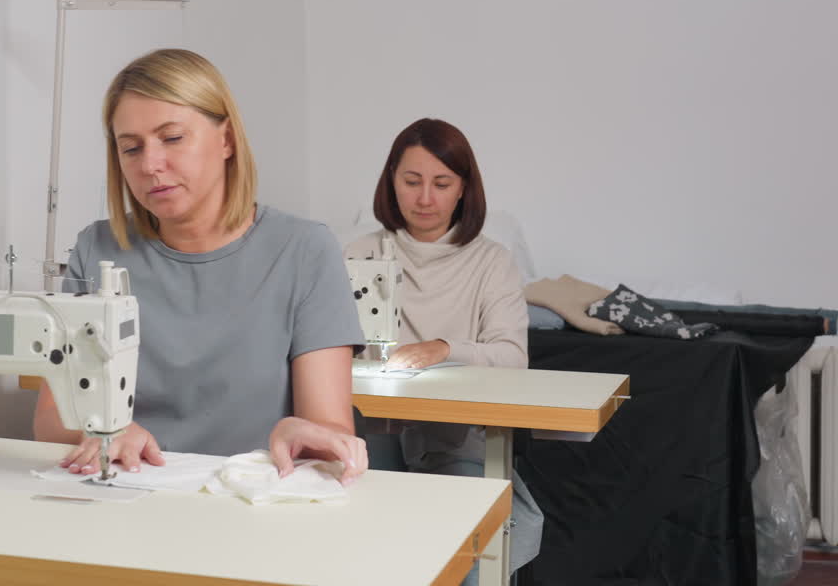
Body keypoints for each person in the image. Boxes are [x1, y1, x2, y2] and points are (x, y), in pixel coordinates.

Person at [32, 49, 367, 485]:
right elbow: (48, 419)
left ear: (226, 140)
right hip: (129, 489)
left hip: (246, 498)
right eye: (130, 148)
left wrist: (300, 431)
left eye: (172, 139)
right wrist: (102, 431)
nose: (150, 165)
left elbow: (334, 431)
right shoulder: (96, 248)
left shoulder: (303, 251)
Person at [344, 117, 542, 580]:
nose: (425, 198)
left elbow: (513, 357)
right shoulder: (362, 254)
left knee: (466, 550)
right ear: (391, 182)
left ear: (463, 189)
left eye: (441, 183)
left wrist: (443, 348)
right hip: (374, 432)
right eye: (411, 181)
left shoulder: (492, 262)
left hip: (459, 441)